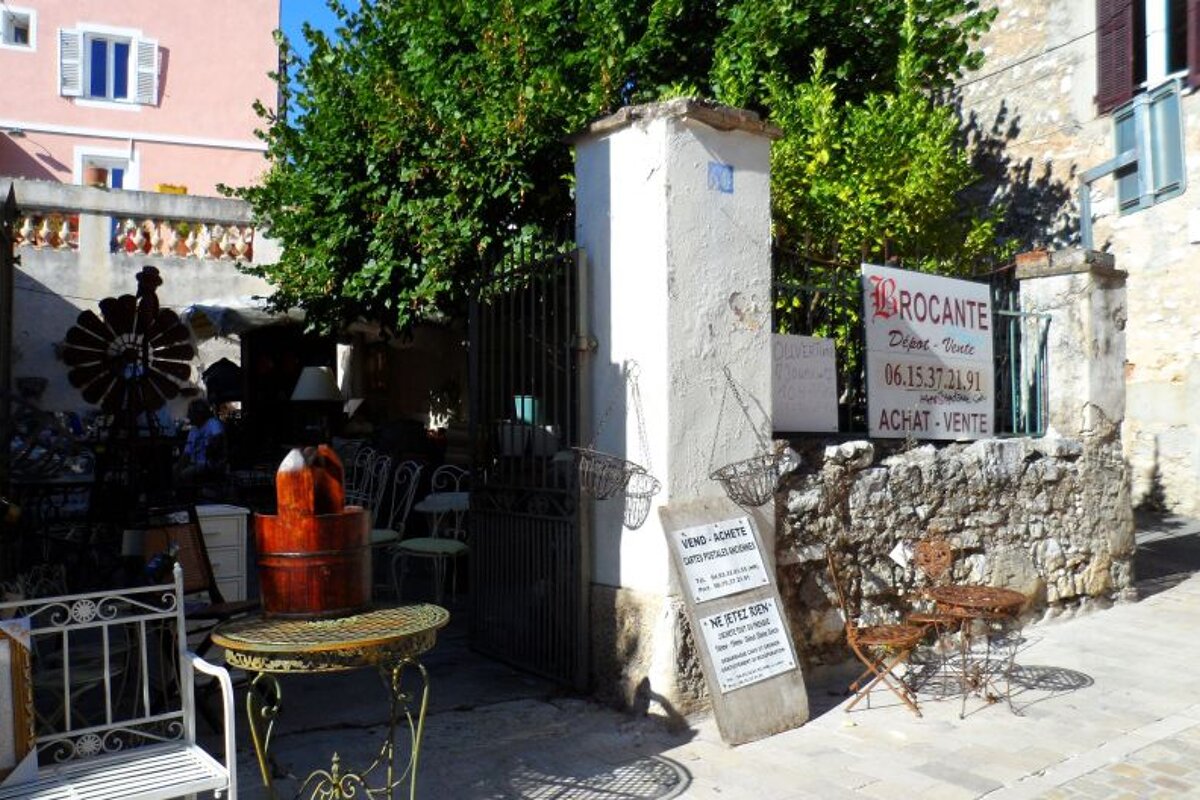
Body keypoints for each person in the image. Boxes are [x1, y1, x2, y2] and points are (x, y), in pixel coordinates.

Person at [174, 399, 226, 486]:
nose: (188, 416)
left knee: (185, 474)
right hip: (195, 464)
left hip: (210, 464)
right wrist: (178, 467)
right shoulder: (193, 430)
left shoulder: (213, 424)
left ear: (200, 413)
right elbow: (187, 454)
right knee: (174, 469)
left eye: (191, 412)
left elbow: (218, 441)